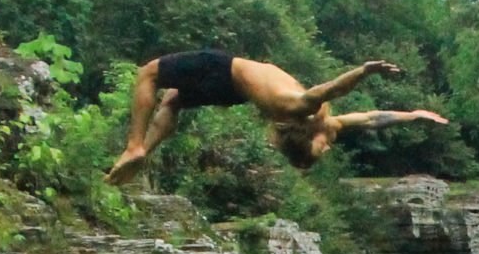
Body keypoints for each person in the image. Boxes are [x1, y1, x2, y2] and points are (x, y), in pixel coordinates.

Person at [107, 49, 448, 184]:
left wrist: (363, 71)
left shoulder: (300, 110)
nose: (328, 148)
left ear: (307, 136)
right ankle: (142, 154)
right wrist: (413, 115)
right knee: (171, 101)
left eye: (320, 150)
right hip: (233, 92)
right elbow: (374, 119)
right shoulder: (326, 123)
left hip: (226, 72)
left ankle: (136, 145)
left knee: (149, 74)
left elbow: (330, 90)